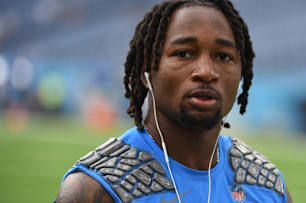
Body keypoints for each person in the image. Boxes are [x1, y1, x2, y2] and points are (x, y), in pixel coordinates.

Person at [55, 0, 293, 202]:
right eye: (184, 54)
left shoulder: (268, 186)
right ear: (146, 71)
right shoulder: (96, 189)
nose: (206, 71)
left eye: (223, 56)